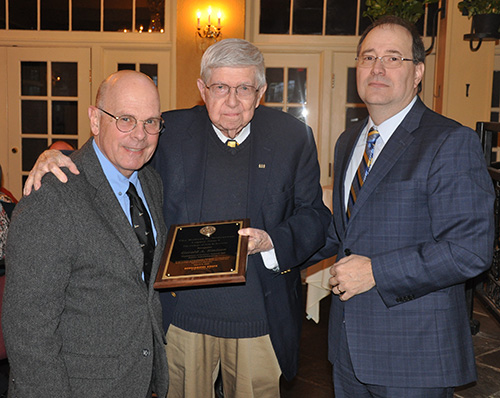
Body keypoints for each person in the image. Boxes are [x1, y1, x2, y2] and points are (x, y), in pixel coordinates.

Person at [22, 39, 331, 397]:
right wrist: (57, 157)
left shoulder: (293, 137)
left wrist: (272, 241)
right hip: (181, 321)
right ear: (202, 89)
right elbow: (113, 151)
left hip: (258, 321)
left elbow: (315, 217)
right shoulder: (166, 131)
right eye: (220, 87)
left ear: (260, 93)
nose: (232, 100)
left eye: (244, 88)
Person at [314, 16, 494, 397]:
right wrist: (273, 246)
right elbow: (344, 231)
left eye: (393, 58)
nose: (377, 68)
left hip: (414, 356)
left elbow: (468, 252)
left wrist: (377, 271)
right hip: (348, 350)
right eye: (368, 57)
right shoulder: (349, 141)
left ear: (418, 73)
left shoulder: (450, 142)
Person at [3, 70, 169, 398]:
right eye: (125, 119)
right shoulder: (51, 198)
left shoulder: (150, 183)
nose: (140, 135)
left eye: (151, 122)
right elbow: (28, 332)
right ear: (95, 120)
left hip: (140, 380)